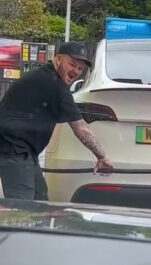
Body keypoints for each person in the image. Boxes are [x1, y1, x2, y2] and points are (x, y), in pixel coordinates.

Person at [0, 41, 114, 200]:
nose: (75, 71)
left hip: (24, 151)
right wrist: (102, 157)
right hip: (13, 149)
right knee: (23, 207)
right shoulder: (55, 85)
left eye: (80, 68)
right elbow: (81, 128)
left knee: (40, 201)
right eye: (72, 64)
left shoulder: (46, 77)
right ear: (58, 59)